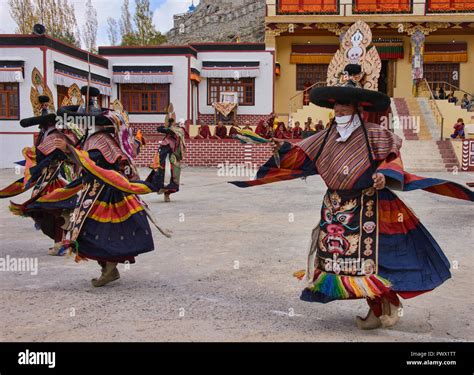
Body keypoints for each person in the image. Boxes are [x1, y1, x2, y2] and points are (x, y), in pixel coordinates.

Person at [230, 61, 473, 330]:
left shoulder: (375, 136)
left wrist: (384, 175)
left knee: (379, 260)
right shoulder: (322, 138)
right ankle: (380, 307)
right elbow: (301, 158)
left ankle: (382, 307)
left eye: (344, 105)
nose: (339, 110)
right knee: (343, 262)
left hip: (371, 205)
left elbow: (392, 160)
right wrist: (281, 148)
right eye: (336, 106)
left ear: (357, 107)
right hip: (335, 208)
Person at [29, 87, 171, 286]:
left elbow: (92, 163)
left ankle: (109, 269)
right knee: (95, 231)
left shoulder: (100, 140)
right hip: (96, 191)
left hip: (106, 194)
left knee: (99, 232)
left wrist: (69, 151)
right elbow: (87, 163)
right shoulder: (95, 138)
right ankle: (108, 269)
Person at [0, 93, 79, 255]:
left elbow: (54, 156)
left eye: (41, 124)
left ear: (46, 124)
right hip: (47, 179)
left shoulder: (55, 137)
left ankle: (62, 243)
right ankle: (60, 242)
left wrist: (36, 170)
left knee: (56, 211)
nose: (40, 127)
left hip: (55, 179)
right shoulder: (46, 135)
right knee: (51, 212)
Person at [148, 104, 186, 202]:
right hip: (163, 157)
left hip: (172, 157)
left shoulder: (179, 131)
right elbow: (160, 129)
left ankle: (167, 194)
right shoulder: (168, 134)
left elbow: (172, 132)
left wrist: (170, 127)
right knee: (162, 174)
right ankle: (161, 190)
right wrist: (167, 124)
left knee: (171, 175)